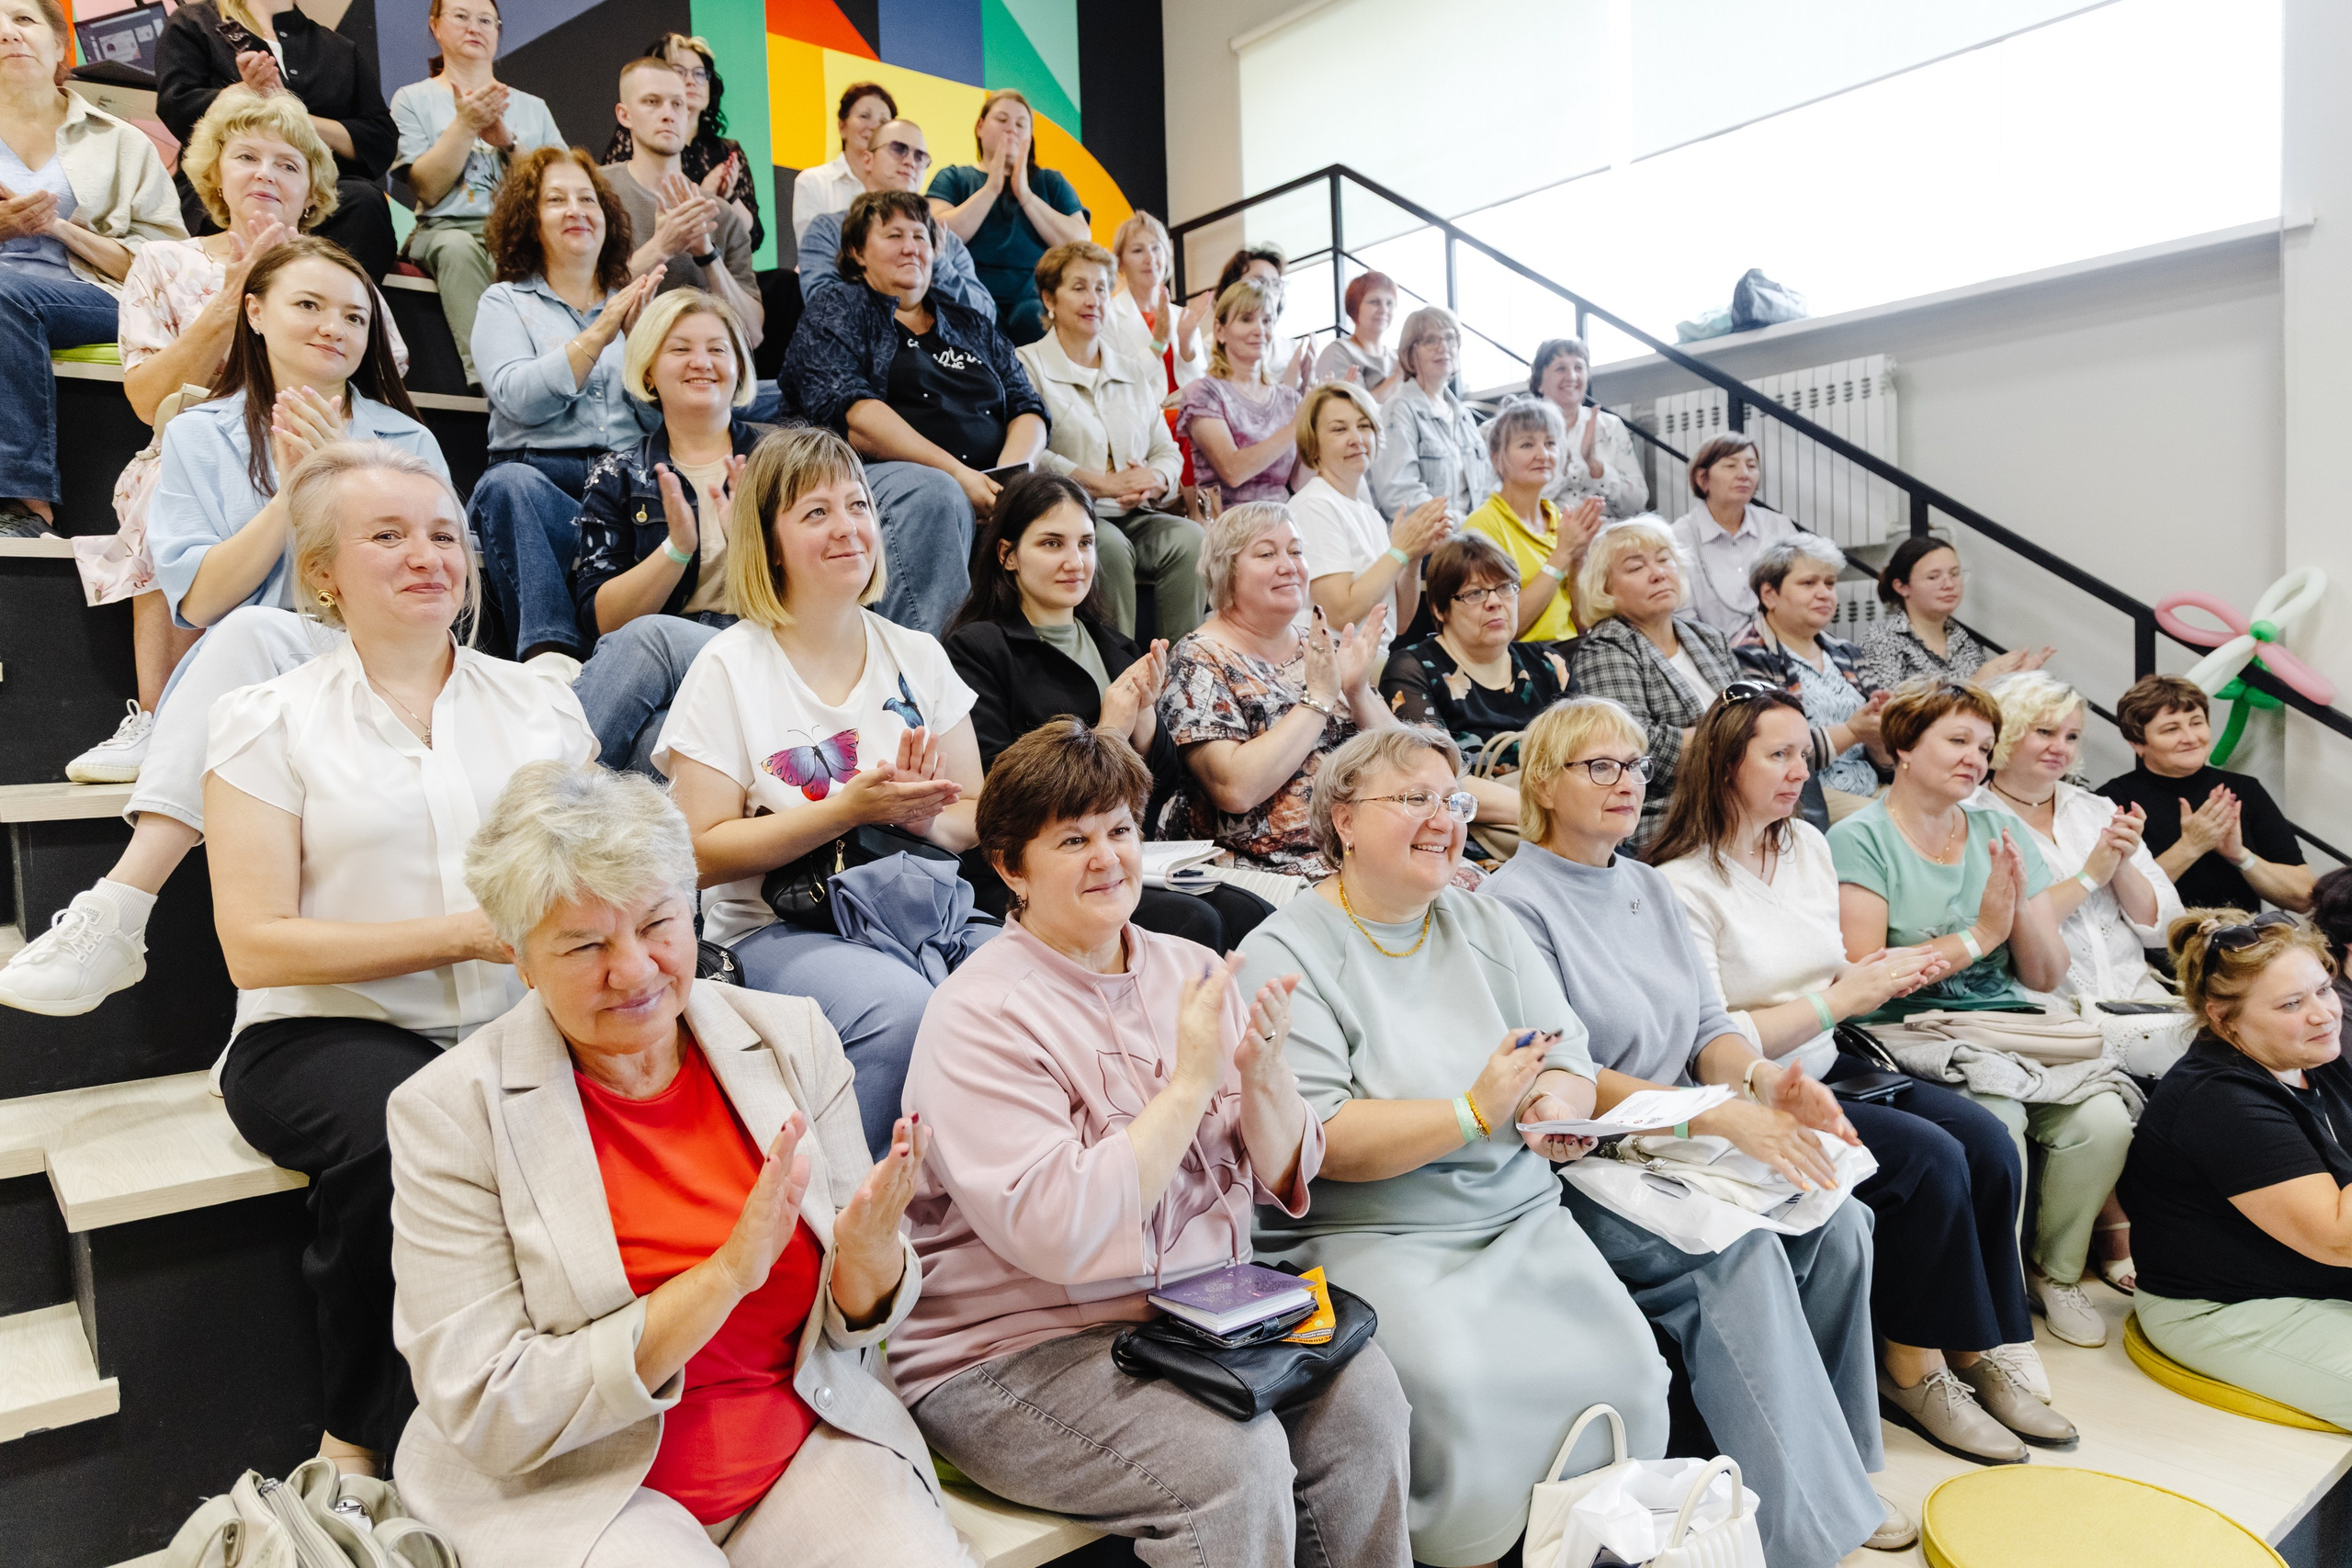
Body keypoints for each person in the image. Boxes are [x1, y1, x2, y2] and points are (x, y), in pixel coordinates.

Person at [388, 762, 968, 1567]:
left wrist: (868, 1259)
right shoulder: (451, 1111)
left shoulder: (789, 1037)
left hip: (796, 1444)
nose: (633, 969)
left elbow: (852, 1325)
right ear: (520, 958)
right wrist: (722, 1277)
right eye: (586, 943)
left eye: (658, 925)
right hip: (580, 1488)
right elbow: (491, 1404)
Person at [894, 721, 1412, 1568]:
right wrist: (1187, 1087)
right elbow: (1058, 1230)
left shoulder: (1190, 965)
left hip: (1197, 1314)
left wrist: (1267, 1074)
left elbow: (1287, 1169)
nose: (1107, 858)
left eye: (1121, 830)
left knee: (1367, 1401)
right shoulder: (977, 1013)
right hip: (1009, 1349)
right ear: (1009, 868)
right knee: (1228, 1464)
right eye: (1072, 839)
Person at [206, 440, 594, 1477]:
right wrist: (466, 935)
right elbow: (255, 944)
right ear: (326, 572)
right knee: (410, 1123)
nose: (427, 555)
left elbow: (590, 870)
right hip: (323, 1028)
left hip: (521, 1013)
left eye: (442, 535)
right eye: (387, 536)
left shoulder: (542, 708)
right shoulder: (266, 720)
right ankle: (358, 1444)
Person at [1486, 696, 1910, 1562]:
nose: (1624, 781)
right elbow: (1565, 1068)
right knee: (1740, 1256)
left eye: (1634, 763)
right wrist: (1716, 1111)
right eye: (1597, 765)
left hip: (1674, 1133)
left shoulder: (1642, 880)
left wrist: (1764, 1080)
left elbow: (1711, 1026)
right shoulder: (1511, 905)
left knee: (1842, 1218)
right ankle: (1803, 1528)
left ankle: (1839, 1475)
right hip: (1585, 1156)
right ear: (1541, 781)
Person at [1238, 727, 1671, 1567]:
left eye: (1454, 799)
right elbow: (1320, 1136)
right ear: (1345, 820)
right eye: (1415, 799)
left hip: (1517, 1217)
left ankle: (1583, 1550)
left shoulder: (1482, 919)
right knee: (1469, 1396)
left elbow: (1566, 1051)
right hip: (1372, 1233)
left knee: (1631, 1371)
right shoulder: (1283, 952)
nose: (1443, 818)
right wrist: (1472, 1112)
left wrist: (1555, 1104)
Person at [0, 239, 440, 1020]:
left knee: (248, 640)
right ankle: (266, 1019)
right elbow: (198, 600)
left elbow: (432, 587)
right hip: (257, 676)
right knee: (244, 642)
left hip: (384, 659)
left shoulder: (405, 441)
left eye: (354, 316)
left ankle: (121, 906)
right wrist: (294, 495)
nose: (334, 327)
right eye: (308, 305)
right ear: (255, 311)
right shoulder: (202, 435)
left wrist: (345, 483)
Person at [1649, 686, 2077, 1467]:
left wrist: (1975, 934)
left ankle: (1977, 1348)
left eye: (1801, 756)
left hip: (1830, 1058)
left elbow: (1842, 972)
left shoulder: (1807, 844)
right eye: (1776, 755)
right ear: (1724, 765)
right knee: (1928, 1161)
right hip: (1757, 1084)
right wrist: (1836, 998)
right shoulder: (1684, 883)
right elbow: (1714, 1038)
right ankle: (1913, 1369)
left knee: (1986, 1139)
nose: (1796, 771)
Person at [656, 428, 988, 1156]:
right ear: (770, 543)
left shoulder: (919, 654)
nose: (848, 528)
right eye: (815, 513)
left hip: (914, 911)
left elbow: (974, 815)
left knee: (1031, 979)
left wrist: (918, 817)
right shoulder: (728, 667)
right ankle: (854, 1227)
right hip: (776, 930)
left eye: (859, 504)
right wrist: (847, 812)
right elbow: (695, 855)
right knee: (902, 1011)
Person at [1830, 678, 2135, 1349]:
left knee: (2105, 1121)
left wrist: (2020, 913)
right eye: (1958, 740)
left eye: (1985, 746)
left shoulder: (1999, 827)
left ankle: (2052, 1273)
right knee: (2000, 1121)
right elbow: (1868, 975)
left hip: (2004, 1020)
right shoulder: (1860, 838)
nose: (1976, 757)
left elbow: (2045, 974)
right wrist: (1983, 932)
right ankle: (1988, 1304)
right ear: (1905, 746)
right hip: (1905, 1028)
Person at [66, 85, 351, 784]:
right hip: (193, 443)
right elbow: (144, 398)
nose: (266, 174)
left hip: (303, 442)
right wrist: (233, 297)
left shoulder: (336, 276)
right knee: (166, 476)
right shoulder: (164, 265)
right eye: (247, 156)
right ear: (215, 174)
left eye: (288, 164)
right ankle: (164, 724)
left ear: (310, 186)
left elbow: (371, 383)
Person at [2120, 909, 2352, 1426]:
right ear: (2224, 1019)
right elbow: (2338, 1239)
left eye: (2323, 989)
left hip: (2318, 1283)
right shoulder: (2218, 1098)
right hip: (2232, 1308)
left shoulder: (2313, 1054)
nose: (2323, 1014)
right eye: (2292, 1003)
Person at [782, 187, 1047, 635]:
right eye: (893, 235)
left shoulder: (970, 322)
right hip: (879, 477)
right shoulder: (838, 309)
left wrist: (1007, 481)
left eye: (920, 236)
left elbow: (1028, 406)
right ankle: (934, 686)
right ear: (856, 252)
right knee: (938, 496)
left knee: (1080, 523)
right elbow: (857, 418)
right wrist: (961, 477)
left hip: (986, 482)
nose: (911, 246)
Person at [469, 145, 663, 661]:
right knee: (507, 486)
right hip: (538, 482)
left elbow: (655, 419)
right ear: (531, 222)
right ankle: (551, 661)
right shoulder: (505, 302)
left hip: (625, 484)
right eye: (556, 200)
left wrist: (645, 348)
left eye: (587, 200)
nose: (576, 210)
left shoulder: (636, 309)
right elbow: (516, 398)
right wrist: (602, 333)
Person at [0, 0, 181, 538]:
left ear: (61, 47)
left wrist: (57, 228)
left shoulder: (121, 140)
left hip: (95, 295)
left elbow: (166, 263)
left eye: (24, 20)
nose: (8, 34)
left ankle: (23, 502)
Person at [564, 290, 764, 776]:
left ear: (738, 367)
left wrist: (752, 546)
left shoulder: (782, 459)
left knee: (650, 636)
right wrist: (676, 549)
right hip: (659, 673)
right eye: (681, 349)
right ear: (649, 371)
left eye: (718, 349)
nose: (702, 362)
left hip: (762, 650)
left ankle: (539, 810)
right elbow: (603, 621)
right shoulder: (618, 472)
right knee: (655, 745)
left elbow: (826, 593)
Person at [1159, 502, 1396, 879]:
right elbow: (1235, 789)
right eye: (1267, 553)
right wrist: (1318, 699)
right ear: (1226, 570)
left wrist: (1357, 691)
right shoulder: (1198, 658)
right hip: (1270, 864)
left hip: (1364, 843)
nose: (1289, 566)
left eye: (1297, 551)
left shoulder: (1319, 645)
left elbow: (1404, 761)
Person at [1015, 240, 1200, 638]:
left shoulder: (1132, 370)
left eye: (1101, 288)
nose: (1093, 299)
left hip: (1137, 512)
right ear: (1050, 298)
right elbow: (1032, 452)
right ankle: (1122, 674)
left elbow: (1166, 450)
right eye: (1079, 287)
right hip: (1069, 516)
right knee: (1107, 549)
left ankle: (1184, 672)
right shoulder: (1027, 363)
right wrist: (1100, 483)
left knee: (1192, 539)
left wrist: (1157, 479)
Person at [388, 0, 563, 386]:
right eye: (461, 16)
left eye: (486, 20)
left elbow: (560, 187)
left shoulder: (533, 108)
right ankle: (489, 379)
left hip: (517, 231)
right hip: (443, 228)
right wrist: (466, 125)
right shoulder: (412, 98)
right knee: (457, 249)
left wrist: (508, 142)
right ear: (436, 26)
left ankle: (550, 372)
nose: (475, 27)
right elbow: (428, 189)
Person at [1978, 672, 2183, 1001]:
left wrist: (2122, 866)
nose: (2060, 747)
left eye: (2072, 737)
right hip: (2044, 1006)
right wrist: (2089, 877)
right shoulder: (1969, 816)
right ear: (2005, 732)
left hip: (2138, 995)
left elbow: (2166, 930)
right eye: (2045, 732)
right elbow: (1998, 931)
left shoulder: (2097, 809)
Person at [155, 0, 397, 278]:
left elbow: (380, 138)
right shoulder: (195, 22)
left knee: (364, 202)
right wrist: (246, 93)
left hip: (313, 194)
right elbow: (178, 106)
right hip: (224, 187)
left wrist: (293, 114)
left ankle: (335, 310)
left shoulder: (338, 48)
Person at [1566, 516, 1741, 850]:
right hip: (1669, 814)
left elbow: (1754, 717)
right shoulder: (1606, 647)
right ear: (1605, 588)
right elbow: (1639, 752)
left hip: (1737, 796)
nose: (1659, 572)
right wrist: (1737, 736)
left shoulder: (1708, 638)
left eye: (1664, 559)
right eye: (1635, 567)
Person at [1378, 534, 1570, 822]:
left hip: (1563, 819)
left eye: (1505, 587)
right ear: (1439, 610)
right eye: (1474, 593)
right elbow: (1436, 777)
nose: (1494, 602)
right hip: (1476, 829)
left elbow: (1590, 752)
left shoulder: (1546, 663)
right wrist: (1550, 815)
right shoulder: (1412, 668)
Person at [2098, 673, 2313, 913]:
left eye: (2197, 723)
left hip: (2242, 943)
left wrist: (2241, 856)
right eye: (2171, 729)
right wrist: (2190, 846)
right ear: (2137, 742)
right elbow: (2111, 903)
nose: (2190, 738)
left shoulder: (2243, 790)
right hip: (2159, 946)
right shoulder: (2113, 800)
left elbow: (2305, 898)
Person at [602, 58, 763, 342]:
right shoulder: (593, 193)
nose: (669, 114)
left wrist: (707, 254)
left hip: (696, 370)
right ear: (624, 115)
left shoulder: (720, 214)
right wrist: (661, 247)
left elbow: (751, 335)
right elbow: (579, 306)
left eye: (678, 105)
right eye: (652, 102)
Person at [1289, 379, 1447, 664]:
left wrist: (1412, 557)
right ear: (1313, 445)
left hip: (1371, 660)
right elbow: (1341, 614)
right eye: (1339, 429)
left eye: (1364, 426)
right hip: (1331, 662)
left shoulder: (1368, 512)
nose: (1357, 438)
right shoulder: (1313, 505)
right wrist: (1399, 551)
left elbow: (1398, 626)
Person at [1730, 535, 1885, 819]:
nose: (1824, 593)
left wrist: (1880, 736)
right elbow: (1765, 750)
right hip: (1805, 797)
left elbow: (1886, 759)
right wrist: (1852, 732)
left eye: (1830, 583)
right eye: (1808, 583)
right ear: (1769, 595)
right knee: (1897, 827)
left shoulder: (1846, 652)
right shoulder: (1749, 654)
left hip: (1874, 788)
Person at [924, 89, 1089, 344]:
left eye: (1021, 124)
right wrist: (991, 188)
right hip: (969, 289)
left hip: (1034, 293)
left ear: (1030, 137)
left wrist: (1024, 194)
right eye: (1001, 120)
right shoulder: (954, 177)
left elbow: (1079, 240)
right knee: (979, 322)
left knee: (1032, 319)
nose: (1011, 129)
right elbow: (936, 234)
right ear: (980, 126)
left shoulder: (1050, 181)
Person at [796, 118, 993, 321]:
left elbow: (986, 317)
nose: (910, 161)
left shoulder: (946, 241)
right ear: (867, 160)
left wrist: (940, 266)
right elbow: (822, 307)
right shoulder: (828, 229)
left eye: (920, 156)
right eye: (898, 149)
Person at [605, 34, 767, 250]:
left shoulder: (727, 151)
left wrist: (728, 197)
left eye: (700, 74)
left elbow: (752, 238)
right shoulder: (636, 135)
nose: (691, 81)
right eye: (679, 71)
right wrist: (703, 194)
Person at [1464, 398, 1601, 642]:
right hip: (1522, 660)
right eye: (1527, 445)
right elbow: (1503, 627)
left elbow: (1584, 623)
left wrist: (1578, 558)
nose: (1543, 454)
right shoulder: (1482, 525)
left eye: (1550, 443)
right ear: (1497, 458)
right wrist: (1561, 556)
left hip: (1573, 650)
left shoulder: (1560, 519)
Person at [1174, 276, 1307, 510]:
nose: (1260, 330)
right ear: (1220, 331)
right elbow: (1233, 471)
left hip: (1285, 517)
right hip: (1231, 522)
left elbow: (1299, 482)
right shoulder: (1203, 393)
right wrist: (1295, 427)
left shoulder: (1290, 399)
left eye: (1267, 320)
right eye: (1247, 319)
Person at [1856, 535, 2052, 693]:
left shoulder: (1965, 641)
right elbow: (1891, 718)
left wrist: (2012, 684)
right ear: (1902, 587)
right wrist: (1974, 685)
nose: (1949, 585)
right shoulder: (1882, 640)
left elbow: (1982, 709)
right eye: (1933, 577)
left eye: (1955, 574)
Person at [1369, 305, 1492, 523]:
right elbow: (1400, 496)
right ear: (1410, 353)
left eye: (1450, 338)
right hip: (1427, 543)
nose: (1443, 347)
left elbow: (1486, 487)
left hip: (1471, 540)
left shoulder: (1463, 416)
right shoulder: (1399, 409)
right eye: (1430, 340)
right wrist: (1465, 526)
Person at [1665, 434, 1798, 635]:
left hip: (1781, 649)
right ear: (1702, 478)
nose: (1744, 474)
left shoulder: (1778, 526)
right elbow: (1682, 619)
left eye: (1751, 466)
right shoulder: (1677, 538)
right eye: (1731, 466)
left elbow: (1800, 594)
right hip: (1712, 657)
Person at [1529, 337, 1647, 520]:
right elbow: (1512, 504)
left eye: (1579, 368)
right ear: (1539, 383)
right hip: (1545, 535)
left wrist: (1596, 467)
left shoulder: (1609, 426)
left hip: (1606, 537)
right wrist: (1563, 470)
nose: (1572, 377)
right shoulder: (1518, 430)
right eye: (1561, 368)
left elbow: (1638, 503)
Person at [1104, 208, 1201, 393]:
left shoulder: (1181, 315)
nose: (1150, 258)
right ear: (1120, 263)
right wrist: (1158, 344)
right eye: (1138, 250)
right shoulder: (1108, 317)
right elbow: (1117, 384)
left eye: (1156, 248)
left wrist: (1186, 345)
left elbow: (1200, 383)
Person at [791, 80, 894, 245]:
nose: (875, 126)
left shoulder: (896, 189)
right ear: (842, 127)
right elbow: (813, 250)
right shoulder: (814, 181)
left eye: (883, 122)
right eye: (864, 116)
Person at [1314, 270, 1403, 402]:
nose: (1384, 309)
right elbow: (1356, 408)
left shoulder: (1397, 356)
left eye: (1390, 303)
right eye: (1375, 302)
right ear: (1355, 306)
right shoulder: (1338, 352)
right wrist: (1399, 375)